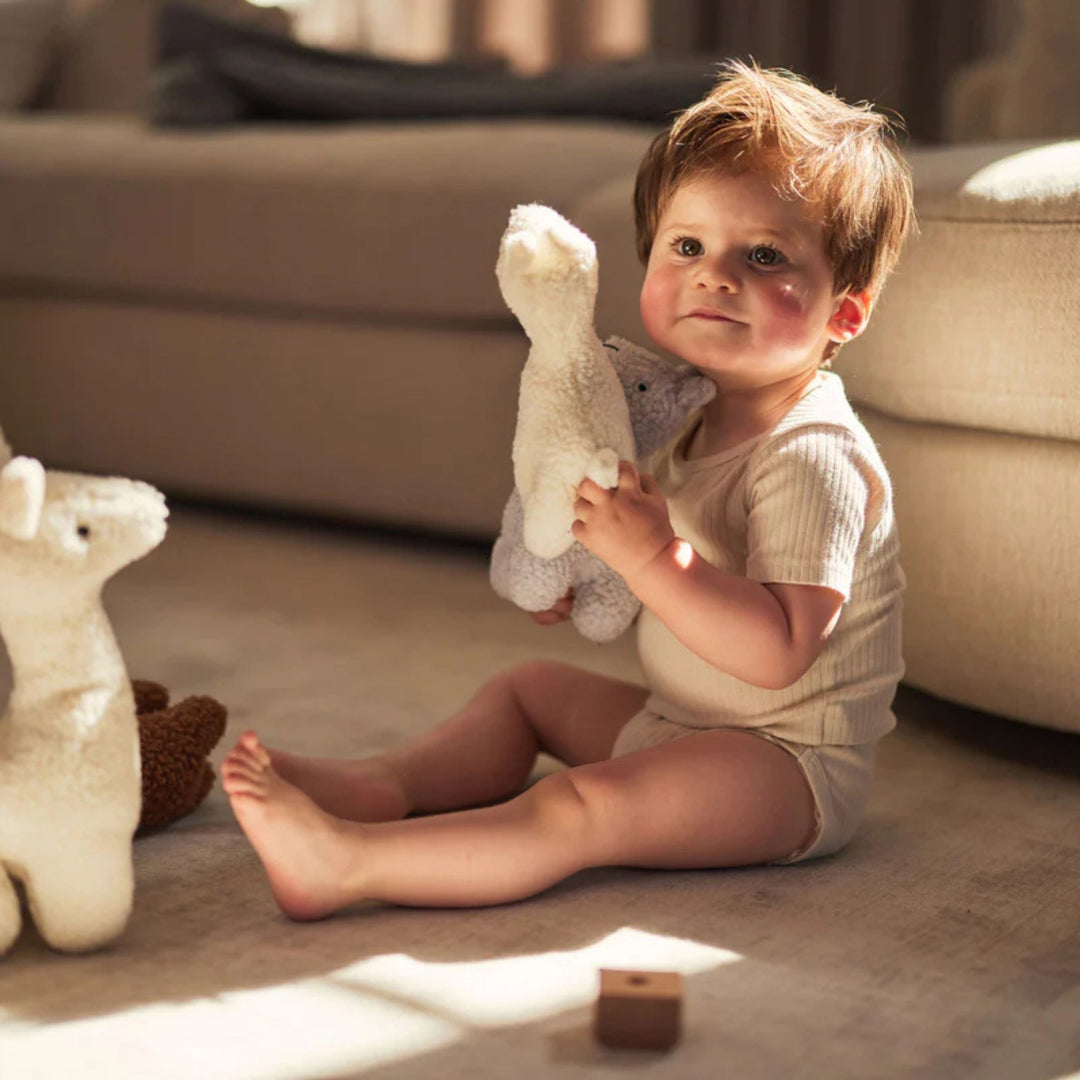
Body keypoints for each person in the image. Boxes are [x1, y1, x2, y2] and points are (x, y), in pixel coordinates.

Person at [221, 60, 915, 920]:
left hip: (785, 762)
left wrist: (653, 559)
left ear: (844, 312)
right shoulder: (686, 411)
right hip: (683, 717)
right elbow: (677, 573)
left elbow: (778, 652)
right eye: (688, 247)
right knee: (528, 693)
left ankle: (348, 865)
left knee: (580, 807)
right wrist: (595, 569)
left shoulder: (813, 456)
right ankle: (381, 785)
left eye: (764, 255)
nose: (715, 275)